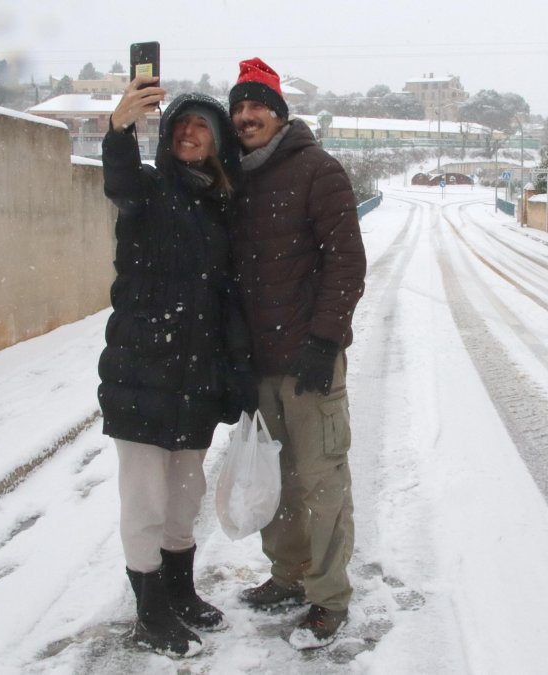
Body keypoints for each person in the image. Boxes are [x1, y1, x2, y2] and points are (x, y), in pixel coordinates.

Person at [100, 77, 254, 657]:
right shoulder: (147, 188)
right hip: (142, 368)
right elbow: (118, 180)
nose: (191, 134)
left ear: (216, 144)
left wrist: (234, 371)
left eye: (203, 128)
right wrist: (118, 129)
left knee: (185, 494)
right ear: (168, 137)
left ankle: (179, 592)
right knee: (145, 498)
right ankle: (150, 612)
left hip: (196, 377)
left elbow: (226, 296)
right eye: (182, 125)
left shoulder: (221, 205)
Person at [226, 57, 367, 649]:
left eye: (257, 105)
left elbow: (347, 263)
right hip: (259, 364)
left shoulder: (318, 170)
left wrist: (324, 339)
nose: (246, 116)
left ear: (280, 115)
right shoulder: (233, 176)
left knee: (321, 479)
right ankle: (287, 576)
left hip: (311, 361)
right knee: (275, 480)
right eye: (237, 107)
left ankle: (328, 597)